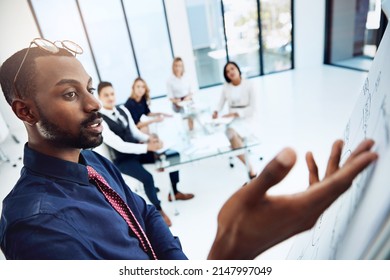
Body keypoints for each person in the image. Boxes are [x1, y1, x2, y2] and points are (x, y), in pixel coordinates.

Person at [0, 39, 378, 260]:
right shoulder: (38, 230)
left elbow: (145, 214)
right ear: (25, 111)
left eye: (89, 87)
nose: (95, 103)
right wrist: (226, 254)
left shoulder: (91, 160)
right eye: (70, 93)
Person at [97, 81, 194, 227]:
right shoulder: (101, 121)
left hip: (138, 150)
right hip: (122, 160)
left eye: (112, 94)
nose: (110, 98)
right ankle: (158, 210)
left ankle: (174, 191)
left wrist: (151, 139)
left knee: (173, 155)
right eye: (106, 95)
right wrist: (148, 147)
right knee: (148, 178)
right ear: (99, 97)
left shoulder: (123, 110)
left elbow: (135, 133)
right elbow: (120, 146)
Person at [212, 61, 257, 179]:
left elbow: (253, 109)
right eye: (227, 71)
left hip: (246, 118)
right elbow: (220, 103)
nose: (230, 72)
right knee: (231, 133)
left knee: (232, 137)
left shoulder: (249, 84)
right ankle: (250, 167)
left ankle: (240, 154)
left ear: (238, 69)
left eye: (232, 69)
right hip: (231, 120)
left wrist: (236, 113)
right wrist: (216, 111)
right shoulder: (226, 87)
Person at [166, 57, 195, 131]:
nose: (178, 68)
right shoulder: (169, 80)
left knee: (191, 113)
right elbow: (170, 97)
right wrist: (178, 101)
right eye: (176, 66)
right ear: (173, 67)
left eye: (180, 66)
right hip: (177, 103)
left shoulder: (187, 77)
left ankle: (192, 131)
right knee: (184, 113)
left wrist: (188, 98)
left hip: (188, 100)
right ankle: (186, 131)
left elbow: (191, 92)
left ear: (182, 67)